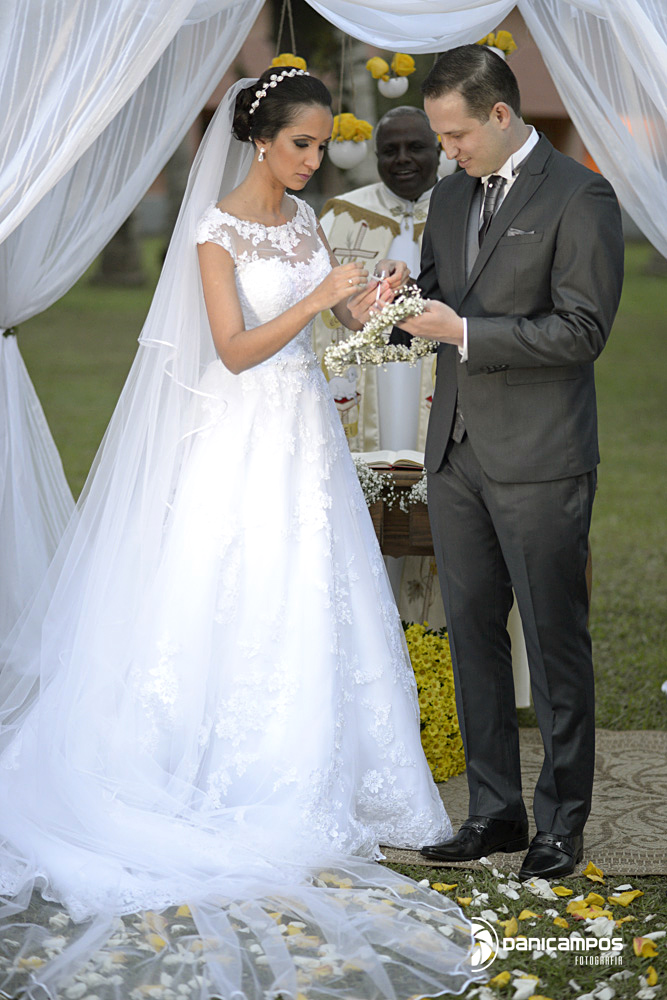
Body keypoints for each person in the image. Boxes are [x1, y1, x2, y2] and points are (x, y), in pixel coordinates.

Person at [0, 71, 478, 1000]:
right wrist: (315, 298)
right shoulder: (214, 233)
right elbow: (233, 349)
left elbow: (339, 317)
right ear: (260, 141)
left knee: (311, 588)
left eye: (321, 145)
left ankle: (327, 765)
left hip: (304, 437)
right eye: (302, 144)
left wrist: (372, 294)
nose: (314, 159)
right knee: (231, 583)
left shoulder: (302, 222)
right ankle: (213, 767)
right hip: (237, 436)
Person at [393, 45, 624, 880]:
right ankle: (493, 812)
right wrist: (397, 300)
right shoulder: (450, 194)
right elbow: (434, 296)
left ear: (499, 114)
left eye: (456, 135)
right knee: (472, 639)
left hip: (541, 457)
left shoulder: (579, 195)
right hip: (454, 452)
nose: (446, 151)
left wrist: (463, 332)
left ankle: (560, 824)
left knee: (554, 642)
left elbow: (582, 331)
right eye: (439, 136)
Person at [313, 106, 440, 455]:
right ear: (377, 156)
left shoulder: (465, 208)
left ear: (439, 149)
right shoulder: (342, 214)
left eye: (415, 147)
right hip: (365, 381)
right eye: (389, 150)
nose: (402, 158)